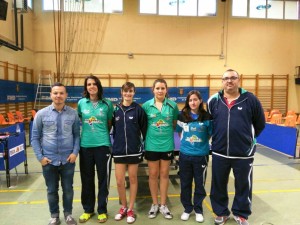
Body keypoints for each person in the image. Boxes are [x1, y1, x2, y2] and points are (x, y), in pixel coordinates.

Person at [207, 69, 265, 225]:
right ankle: (221, 212)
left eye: (233, 78)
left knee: (243, 185)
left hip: (243, 154)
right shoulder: (213, 100)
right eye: (226, 78)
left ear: (238, 80)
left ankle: (241, 213)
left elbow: (260, 124)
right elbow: (210, 124)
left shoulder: (250, 99)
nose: (229, 81)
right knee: (218, 184)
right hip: (220, 152)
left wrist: (248, 141)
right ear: (222, 81)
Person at [31, 82, 80, 225]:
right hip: (49, 161)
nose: (58, 96)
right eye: (55, 93)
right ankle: (54, 216)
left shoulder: (73, 114)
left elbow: (77, 135)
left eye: (61, 93)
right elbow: (34, 137)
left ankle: (68, 215)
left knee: (68, 190)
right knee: (52, 190)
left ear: (66, 95)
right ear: (51, 95)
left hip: (67, 160)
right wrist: (40, 158)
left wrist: (75, 153)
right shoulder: (41, 114)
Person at [77, 75, 113, 223]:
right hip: (85, 146)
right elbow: (80, 120)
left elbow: (109, 123)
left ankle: (102, 210)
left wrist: (100, 135)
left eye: (94, 84)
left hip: (103, 146)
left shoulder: (107, 104)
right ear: (86, 87)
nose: (91, 86)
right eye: (88, 84)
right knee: (86, 179)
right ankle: (88, 209)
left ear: (98, 86)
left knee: (103, 179)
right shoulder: (81, 103)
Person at [142, 78, 179, 220]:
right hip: (151, 146)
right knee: (153, 175)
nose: (160, 91)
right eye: (157, 88)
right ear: (153, 90)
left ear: (166, 90)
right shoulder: (146, 106)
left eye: (163, 88)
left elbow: (174, 124)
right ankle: (155, 204)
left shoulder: (173, 105)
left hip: (167, 145)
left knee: (164, 175)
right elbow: (143, 124)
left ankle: (163, 204)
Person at [112, 82, 148, 224]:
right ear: (121, 92)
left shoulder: (138, 110)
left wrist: (143, 147)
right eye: (125, 91)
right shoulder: (115, 110)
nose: (128, 94)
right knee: (120, 181)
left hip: (134, 151)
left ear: (134, 93)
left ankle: (131, 209)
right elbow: (112, 128)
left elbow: (144, 131)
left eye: (131, 91)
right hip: (119, 151)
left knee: (133, 179)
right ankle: (123, 207)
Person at [176, 90, 212, 223]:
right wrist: (188, 145)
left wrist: (199, 145)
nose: (193, 102)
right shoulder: (182, 116)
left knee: (200, 184)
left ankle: (198, 210)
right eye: (190, 100)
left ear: (200, 101)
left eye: (195, 99)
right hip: (185, 155)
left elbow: (209, 134)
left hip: (201, 156)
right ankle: (187, 209)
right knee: (185, 183)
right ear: (188, 102)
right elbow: (180, 134)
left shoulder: (207, 117)